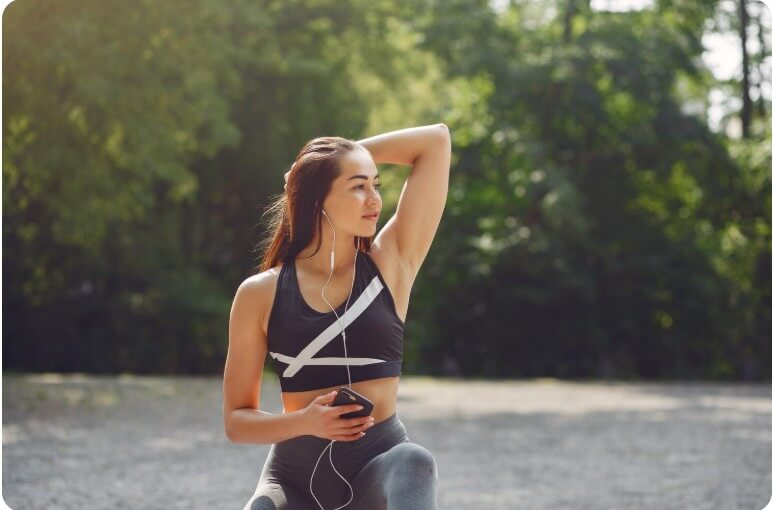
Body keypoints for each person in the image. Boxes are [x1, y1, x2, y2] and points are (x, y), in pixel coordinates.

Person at [224, 123, 452, 509]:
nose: (374, 199)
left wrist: (330, 162)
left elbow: (436, 141)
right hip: (293, 482)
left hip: (377, 470)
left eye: (376, 184)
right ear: (318, 198)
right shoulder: (259, 293)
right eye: (358, 186)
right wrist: (306, 423)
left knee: (415, 461)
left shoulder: (390, 266)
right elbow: (236, 421)